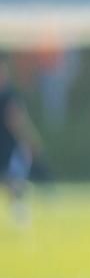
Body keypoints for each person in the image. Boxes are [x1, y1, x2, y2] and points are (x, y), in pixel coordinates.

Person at [0, 56, 44, 225]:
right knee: (12, 179)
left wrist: (29, 138)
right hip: (7, 146)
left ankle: (18, 211)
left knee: (13, 179)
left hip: (8, 145)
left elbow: (16, 119)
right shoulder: (10, 94)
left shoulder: (10, 94)